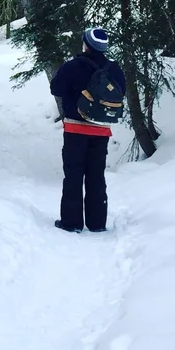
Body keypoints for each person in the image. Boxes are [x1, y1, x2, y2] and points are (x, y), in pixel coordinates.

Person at [50, 27, 126, 233]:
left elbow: (55, 88)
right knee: (96, 175)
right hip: (101, 131)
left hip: (75, 129)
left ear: (86, 44)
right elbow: (121, 93)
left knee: (73, 174)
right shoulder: (114, 69)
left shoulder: (73, 66)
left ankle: (71, 222)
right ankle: (97, 223)